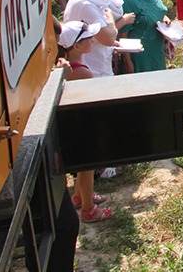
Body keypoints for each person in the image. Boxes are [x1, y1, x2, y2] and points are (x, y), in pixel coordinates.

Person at [55, 20, 114, 222]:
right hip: (82, 126)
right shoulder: (82, 72)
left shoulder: (69, 67)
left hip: (72, 124)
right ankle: (89, 209)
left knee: (83, 166)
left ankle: (80, 196)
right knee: (88, 166)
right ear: (76, 46)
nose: (92, 40)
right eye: (88, 38)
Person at [119, 0, 170, 72]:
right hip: (141, 54)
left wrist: (164, 18)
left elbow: (157, 10)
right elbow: (124, 35)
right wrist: (128, 62)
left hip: (157, 48)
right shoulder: (128, 0)